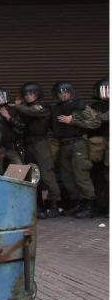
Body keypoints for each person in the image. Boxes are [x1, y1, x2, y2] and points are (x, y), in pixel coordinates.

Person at [51, 82, 100, 218]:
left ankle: (89, 205)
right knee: (67, 177)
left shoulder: (79, 106)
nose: (63, 94)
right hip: (63, 145)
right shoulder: (56, 109)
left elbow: (95, 122)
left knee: (81, 174)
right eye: (60, 92)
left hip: (78, 143)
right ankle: (78, 203)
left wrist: (73, 121)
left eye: (66, 91)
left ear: (71, 92)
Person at [16, 82, 60, 218]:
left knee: (47, 175)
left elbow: (30, 111)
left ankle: (55, 205)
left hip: (41, 143)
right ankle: (38, 205)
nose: (29, 96)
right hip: (28, 144)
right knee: (32, 176)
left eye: (32, 93)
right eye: (26, 94)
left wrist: (18, 106)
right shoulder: (23, 109)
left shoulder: (42, 108)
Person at [88, 79, 108, 215]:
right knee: (96, 175)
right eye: (103, 90)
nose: (106, 93)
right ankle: (99, 205)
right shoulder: (93, 106)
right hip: (96, 144)